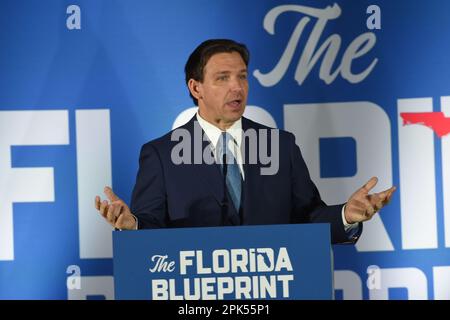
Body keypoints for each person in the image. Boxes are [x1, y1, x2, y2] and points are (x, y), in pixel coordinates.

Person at [94, 39, 395, 244]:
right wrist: (132, 225)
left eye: (242, 76)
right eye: (222, 78)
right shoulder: (161, 154)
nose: (237, 87)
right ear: (195, 87)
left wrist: (346, 215)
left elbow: (309, 219)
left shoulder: (281, 147)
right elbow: (151, 227)